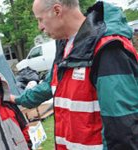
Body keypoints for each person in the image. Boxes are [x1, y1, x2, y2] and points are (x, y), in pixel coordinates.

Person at [11, 0, 138, 150]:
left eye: (40, 19)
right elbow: (50, 84)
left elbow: (121, 127)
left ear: (57, 11)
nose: (40, 27)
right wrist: (18, 99)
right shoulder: (65, 47)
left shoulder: (107, 49)